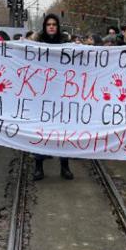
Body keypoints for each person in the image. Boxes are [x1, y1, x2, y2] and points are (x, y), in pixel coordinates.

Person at [32, 14, 74, 180]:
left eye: (54, 24)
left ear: (57, 26)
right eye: (48, 24)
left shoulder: (65, 44)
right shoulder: (36, 44)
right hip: (42, 95)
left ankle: (65, 166)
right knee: (41, 132)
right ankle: (38, 166)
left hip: (62, 94)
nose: (51, 27)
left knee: (63, 132)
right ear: (44, 26)